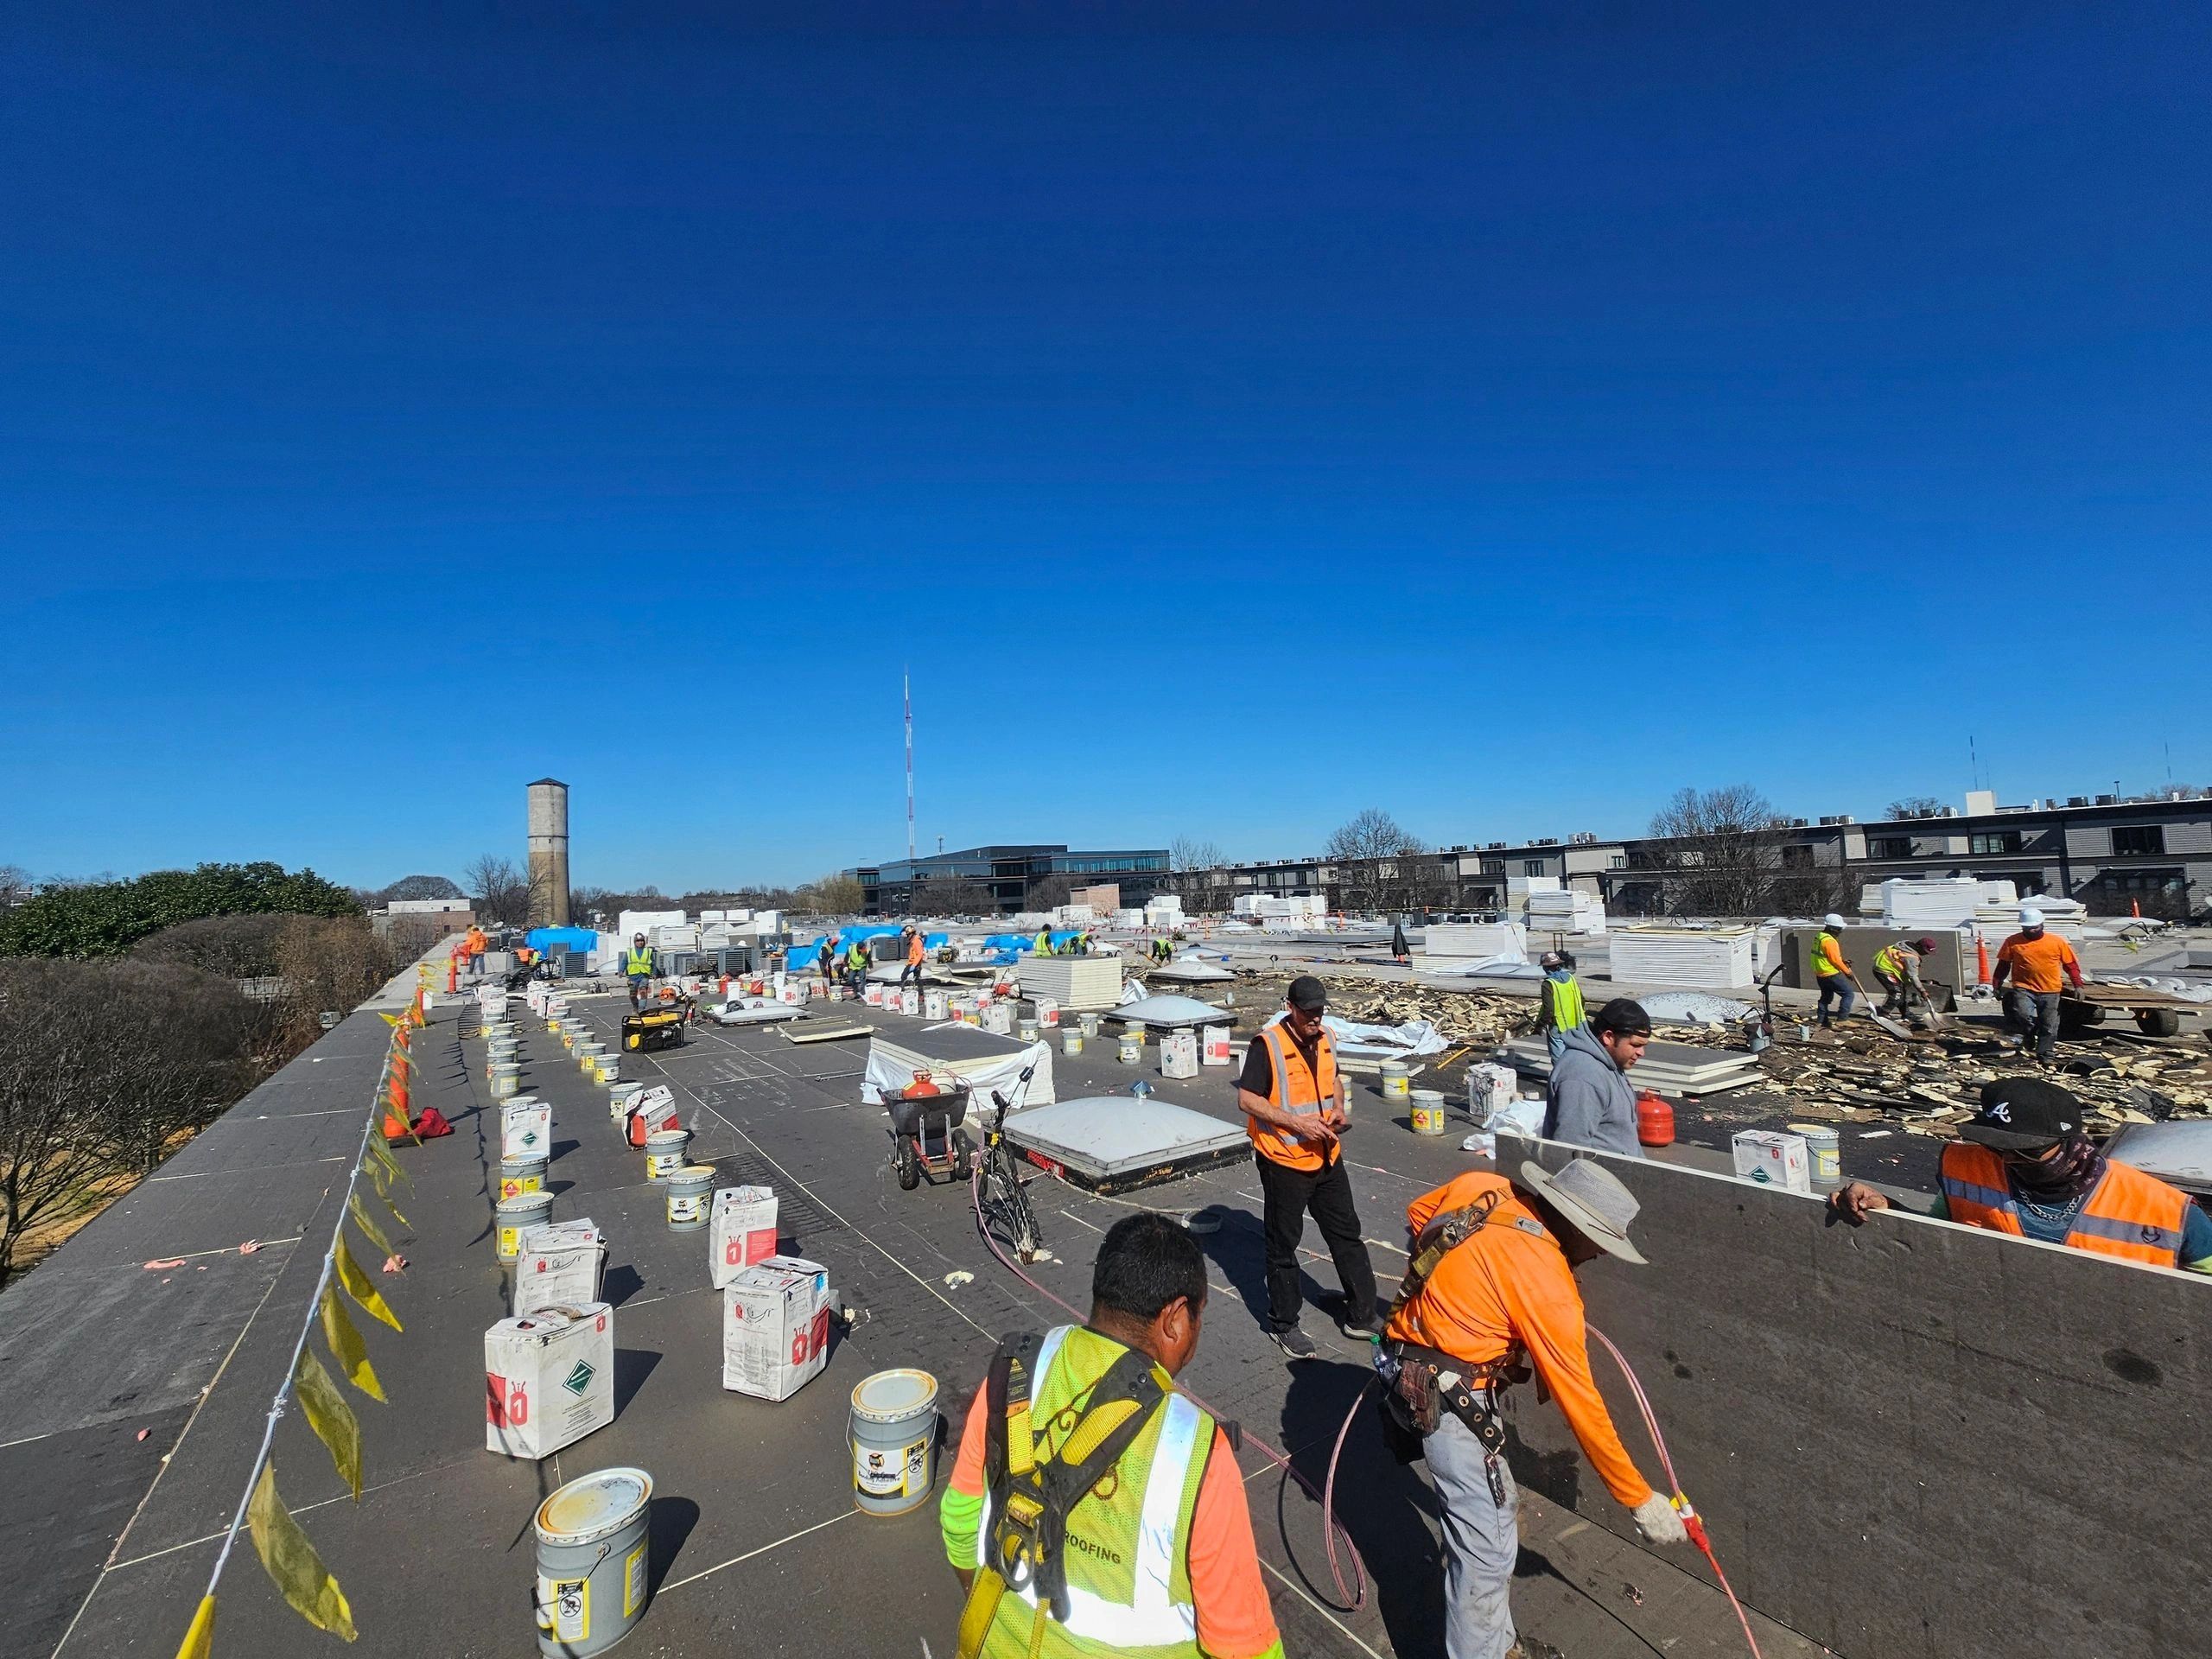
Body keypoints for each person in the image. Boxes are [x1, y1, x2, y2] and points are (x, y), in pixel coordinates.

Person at [1381, 1158, 1688, 1657]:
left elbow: (1420, 1218)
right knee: (1482, 1554)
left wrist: (1458, 1299)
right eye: (1600, 1242)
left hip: (1410, 1362)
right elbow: (1581, 1403)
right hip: (1450, 1397)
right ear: (1574, 1225)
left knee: (1494, 1516)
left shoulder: (1485, 1188)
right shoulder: (1548, 1286)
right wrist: (1637, 1497)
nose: (1600, 1255)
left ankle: (1500, 1646)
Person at [939, 1213, 1284, 1659]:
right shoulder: (1194, 1449)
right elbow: (1243, 1647)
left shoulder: (1016, 1373)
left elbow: (960, 1519)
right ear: (1176, 1318)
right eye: (1198, 1318)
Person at [1829, 1077, 2212, 1271]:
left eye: (2025, 1150)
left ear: (2069, 1143)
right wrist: (1888, 1208)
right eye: (1997, 1147)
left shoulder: (2167, 1211)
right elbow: (1934, 1238)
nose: (2007, 1160)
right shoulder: (1970, 1171)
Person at [1236, 976, 1382, 1358]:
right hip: (1284, 1159)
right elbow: (1248, 1100)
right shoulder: (1267, 1045)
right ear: (1291, 1007)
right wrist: (1296, 1123)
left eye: (1320, 1011)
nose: (1315, 1019)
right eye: (1308, 1012)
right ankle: (1284, 1323)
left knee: (1346, 1233)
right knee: (1284, 1244)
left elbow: (1332, 1079)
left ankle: (1362, 1314)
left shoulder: (1328, 1037)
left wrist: (1338, 1109)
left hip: (1327, 1154)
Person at [1542, 998, 1649, 1159]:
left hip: (1621, 1176)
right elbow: (1571, 1148)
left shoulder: (1610, 1063)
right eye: (1635, 1045)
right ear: (1608, 1037)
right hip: (1596, 1181)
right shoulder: (1582, 1075)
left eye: (1643, 1046)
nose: (1641, 1053)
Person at [1991, 906, 2083, 1064]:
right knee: (2022, 1014)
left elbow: (2071, 965)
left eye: (2035, 927)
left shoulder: (2056, 942)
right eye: (2028, 928)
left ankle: (2045, 1053)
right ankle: (2029, 1033)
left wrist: (2078, 985)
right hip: (2023, 987)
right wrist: (1997, 985)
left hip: (2051, 989)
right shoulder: (2013, 942)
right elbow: (2003, 965)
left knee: (2049, 1023)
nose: (2032, 930)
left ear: (2042, 925)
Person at [1871, 937, 1940, 1022]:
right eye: (1926, 952)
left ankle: (1906, 1014)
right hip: (1885, 971)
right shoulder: (1912, 957)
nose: (1927, 954)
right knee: (1897, 993)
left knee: (1902, 993)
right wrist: (1922, 990)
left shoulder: (1904, 945)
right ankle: (1883, 1012)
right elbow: (1913, 976)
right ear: (1919, 947)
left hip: (1883, 967)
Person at [1535, 950, 1585, 1064]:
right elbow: (1581, 999)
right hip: (1574, 1024)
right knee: (1573, 1054)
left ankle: (1561, 1079)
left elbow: (1549, 1009)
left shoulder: (1548, 984)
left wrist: (1540, 1024)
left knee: (1559, 1059)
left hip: (1558, 1025)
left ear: (1546, 968)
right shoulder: (1571, 978)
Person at [1812, 913, 1859, 1028]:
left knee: (1825, 998)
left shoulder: (1820, 936)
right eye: (1839, 929)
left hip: (1820, 973)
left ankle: (1821, 1020)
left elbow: (1827, 956)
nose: (1840, 932)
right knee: (1848, 994)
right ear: (1832, 928)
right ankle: (1843, 1019)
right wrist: (1847, 972)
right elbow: (1834, 960)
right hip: (1830, 973)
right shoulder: (1830, 941)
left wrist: (1842, 961)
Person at [623, 931, 656, 1012]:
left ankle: (642, 1008)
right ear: (635, 942)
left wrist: (654, 973)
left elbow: (653, 963)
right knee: (632, 995)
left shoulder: (648, 951)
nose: (640, 942)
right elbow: (624, 962)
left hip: (644, 975)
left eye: (642, 940)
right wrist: (621, 970)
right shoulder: (630, 951)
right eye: (638, 941)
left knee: (643, 991)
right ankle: (635, 1006)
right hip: (633, 976)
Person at [844, 935, 872, 999]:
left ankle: (862, 995)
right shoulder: (851, 949)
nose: (863, 950)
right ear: (859, 949)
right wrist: (845, 966)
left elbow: (869, 959)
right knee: (850, 979)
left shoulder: (867, 951)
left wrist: (870, 967)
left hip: (862, 967)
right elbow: (846, 958)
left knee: (862, 980)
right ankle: (855, 991)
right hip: (853, 966)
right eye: (862, 950)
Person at [901, 925, 926, 989]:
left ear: (911, 934)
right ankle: (919, 993)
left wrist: (914, 965)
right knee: (917, 979)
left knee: (904, 976)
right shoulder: (913, 940)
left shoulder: (916, 941)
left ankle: (905, 991)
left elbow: (919, 954)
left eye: (908, 935)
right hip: (913, 963)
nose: (908, 937)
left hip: (914, 963)